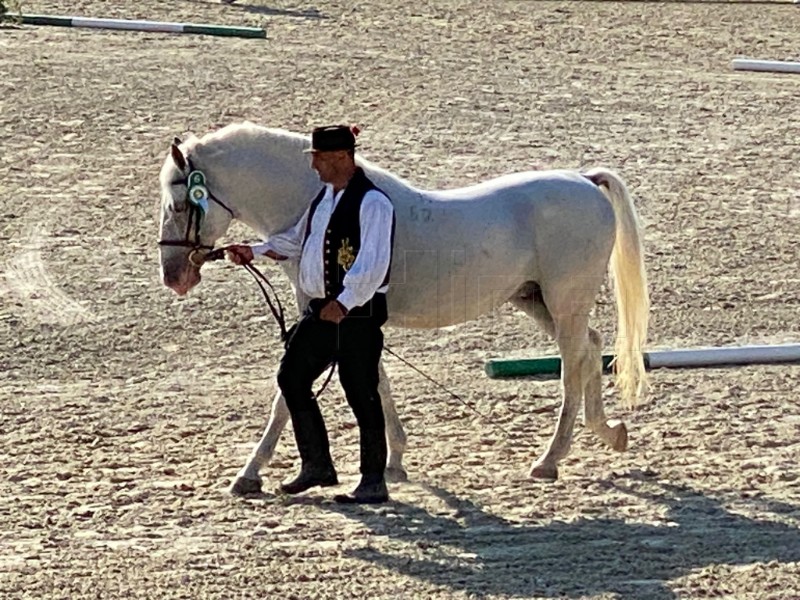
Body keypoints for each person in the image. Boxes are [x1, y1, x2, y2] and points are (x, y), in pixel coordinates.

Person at [225, 125, 395, 504]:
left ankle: (373, 479)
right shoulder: (324, 198)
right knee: (292, 376)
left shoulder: (374, 204)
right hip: (322, 311)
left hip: (356, 315)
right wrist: (254, 250)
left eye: (318, 157)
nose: (313, 165)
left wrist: (345, 302)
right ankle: (317, 464)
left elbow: (374, 263)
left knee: (362, 392)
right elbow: (296, 242)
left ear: (340, 158)